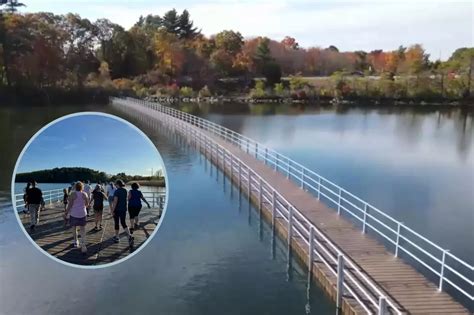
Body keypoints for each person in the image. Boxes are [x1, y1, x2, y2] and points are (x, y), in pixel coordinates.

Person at [65, 181, 89, 253]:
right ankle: (83, 245)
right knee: (82, 229)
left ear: (75, 187)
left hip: (74, 214)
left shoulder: (72, 194)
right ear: (82, 187)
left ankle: (76, 242)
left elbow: (69, 205)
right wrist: (82, 206)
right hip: (82, 213)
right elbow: (87, 204)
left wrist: (66, 213)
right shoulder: (84, 194)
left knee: (74, 228)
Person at [111, 180, 133, 244]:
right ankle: (129, 236)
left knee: (116, 223)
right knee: (123, 223)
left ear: (118, 184)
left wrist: (112, 210)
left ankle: (117, 237)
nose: (115, 185)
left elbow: (115, 202)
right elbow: (127, 198)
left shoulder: (117, 191)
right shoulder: (125, 190)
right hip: (123, 209)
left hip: (117, 209)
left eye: (115, 184)